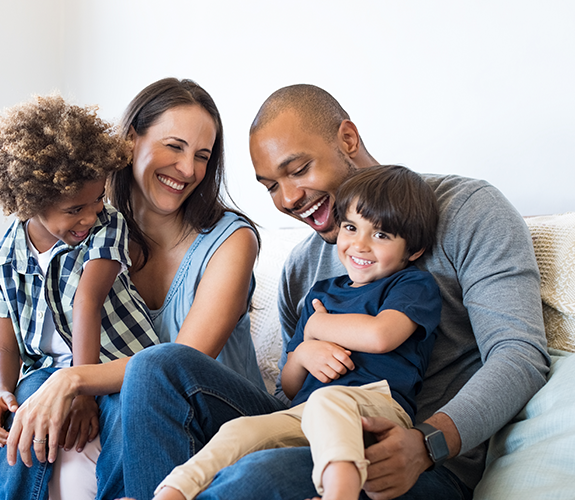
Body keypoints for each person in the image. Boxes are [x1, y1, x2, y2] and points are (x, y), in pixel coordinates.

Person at [116, 84, 549, 500]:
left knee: (257, 477)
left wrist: (426, 443)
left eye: (299, 169)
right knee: (157, 366)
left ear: (348, 138)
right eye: (270, 186)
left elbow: (519, 354)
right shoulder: (302, 267)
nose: (287, 199)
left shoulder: (467, 209)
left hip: (416, 461)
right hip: (310, 432)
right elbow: (293, 391)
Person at [0, 78, 269, 500]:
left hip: (215, 413)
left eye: (202, 156)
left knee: (144, 381)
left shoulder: (231, 241)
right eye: (174, 146)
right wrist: (5, 400)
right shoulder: (84, 230)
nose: (190, 169)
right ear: (130, 140)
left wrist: (71, 381)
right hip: (125, 397)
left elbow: (177, 366)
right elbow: (46, 339)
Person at [153, 165, 441, 500]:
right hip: (305, 412)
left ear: (414, 250)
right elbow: (290, 386)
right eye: (350, 227)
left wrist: (319, 327)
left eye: (381, 235)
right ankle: (169, 493)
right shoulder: (321, 294)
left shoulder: (411, 284)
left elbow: (381, 336)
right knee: (240, 429)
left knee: (326, 400)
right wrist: (304, 353)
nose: (359, 245)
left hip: (376, 408)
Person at [0, 94, 161, 499]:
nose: (90, 215)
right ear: (32, 202)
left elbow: (87, 300)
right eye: (76, 208)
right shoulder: (1, 263)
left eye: (98, 199)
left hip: (117, 365)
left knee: (123, 415)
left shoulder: (106, 226)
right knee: (24, 408)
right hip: (46, 372)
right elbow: (4, 350)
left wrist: (81, 390)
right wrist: (1, 393)